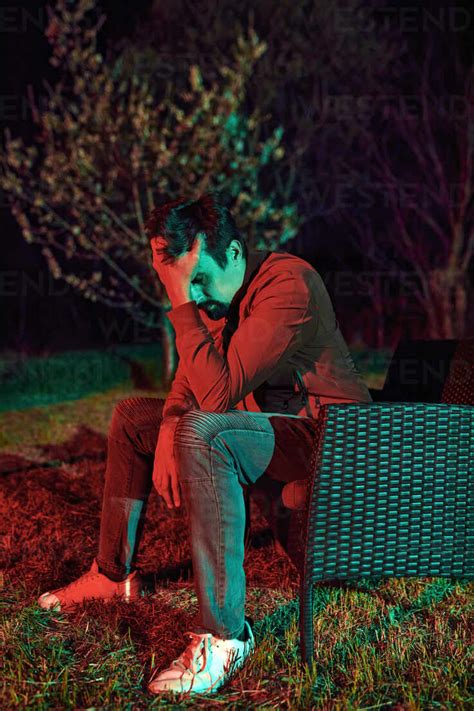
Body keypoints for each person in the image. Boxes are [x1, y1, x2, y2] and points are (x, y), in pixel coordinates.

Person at [37, 192, 372, 696]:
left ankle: (225, 635)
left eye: (197, 278)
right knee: (135, 419)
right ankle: (112, 575)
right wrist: (170, 421)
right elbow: (192, 383)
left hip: (331, 441)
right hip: (272, 429)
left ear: (234, 254)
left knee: (207, 430)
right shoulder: (223, 295)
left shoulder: (288, 285)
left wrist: (179, 297)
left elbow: (214, 396)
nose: (191, 295)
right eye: (181, 282)